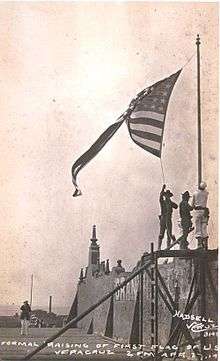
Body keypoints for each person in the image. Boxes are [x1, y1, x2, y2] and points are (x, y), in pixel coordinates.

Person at [158, 184, 178, 250]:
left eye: (168, 196)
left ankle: (168, 247)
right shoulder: (162, 202)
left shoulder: (170, 202)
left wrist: (171, 203)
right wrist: (162, 189)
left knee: (169, 234)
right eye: (166, 195)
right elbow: (160, 197)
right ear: (165, 196)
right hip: (163, 218)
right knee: (161, 233)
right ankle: (159, 247)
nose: (167, 197)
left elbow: (176, 206)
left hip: (169, 218)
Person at [192, 181, 209, 249]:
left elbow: (192, 205)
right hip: (204, 211)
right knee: (204, 228)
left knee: (198, 228)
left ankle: (199, 245)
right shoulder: (206, 193)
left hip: (198, 211)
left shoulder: (195, 193)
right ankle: (205, 245)